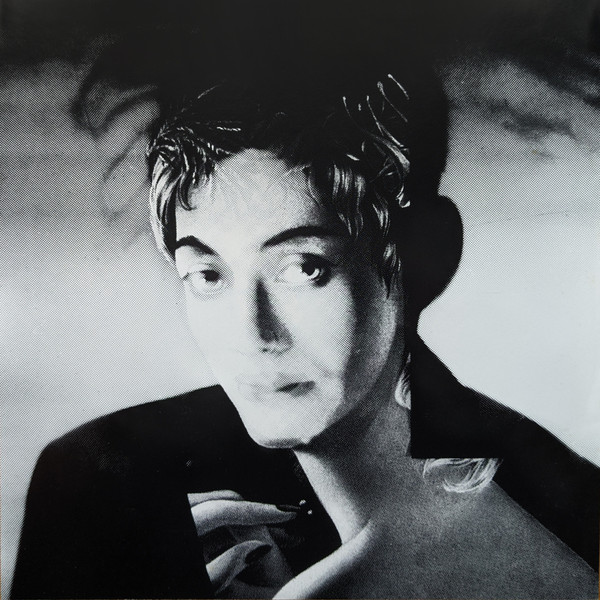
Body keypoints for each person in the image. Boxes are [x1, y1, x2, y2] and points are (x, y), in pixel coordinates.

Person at [12, 62, 599, 599]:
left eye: (303, 268)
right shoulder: (99, 477)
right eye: (208, 275)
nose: (252, 331)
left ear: (425, 257)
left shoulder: (564, 512)